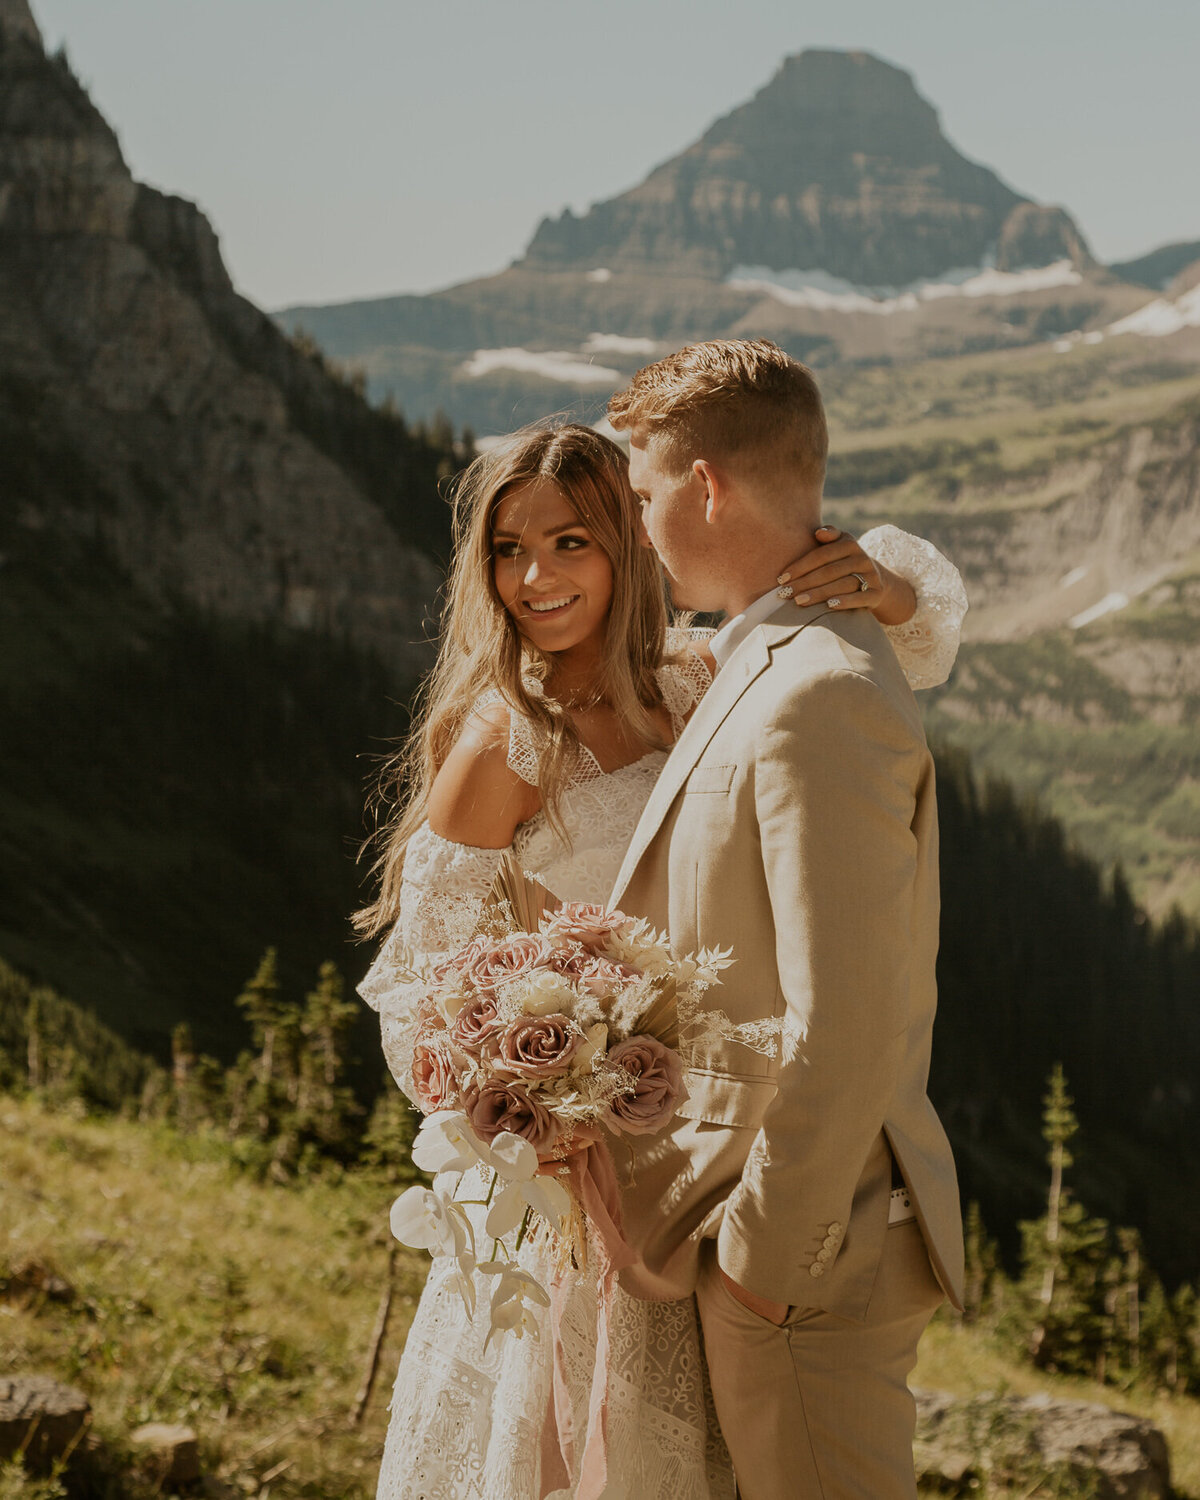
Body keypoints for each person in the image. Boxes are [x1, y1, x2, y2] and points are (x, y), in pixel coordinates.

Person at [356, 419, 967, 1500]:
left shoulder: (701, 678)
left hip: (716, 1170)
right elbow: (416, 991)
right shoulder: (508, 741)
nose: (535, 577)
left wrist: (880, 584)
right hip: (583, 1201)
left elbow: (914, 648)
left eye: (571, 542)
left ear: (633, 540)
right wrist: (537, 1101)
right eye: (508, 549)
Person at [606, 339, 965, 1500]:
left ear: (705, 486)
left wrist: (770, 1262)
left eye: (646, 492)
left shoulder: (823, 690)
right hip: (763, 1252)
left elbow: (848, 1018)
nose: (641, 524)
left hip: (812, 1264)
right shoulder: (760, 652)